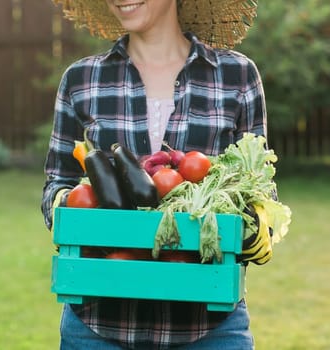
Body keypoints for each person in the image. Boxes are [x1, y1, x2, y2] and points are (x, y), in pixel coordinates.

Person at [41, 0, 268, 348]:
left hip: (209, 328)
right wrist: (67, 208)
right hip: (98, 326)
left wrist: (250, 227)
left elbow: (259, 188)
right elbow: (58, 183)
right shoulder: (81, 80)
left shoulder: (236, 76)